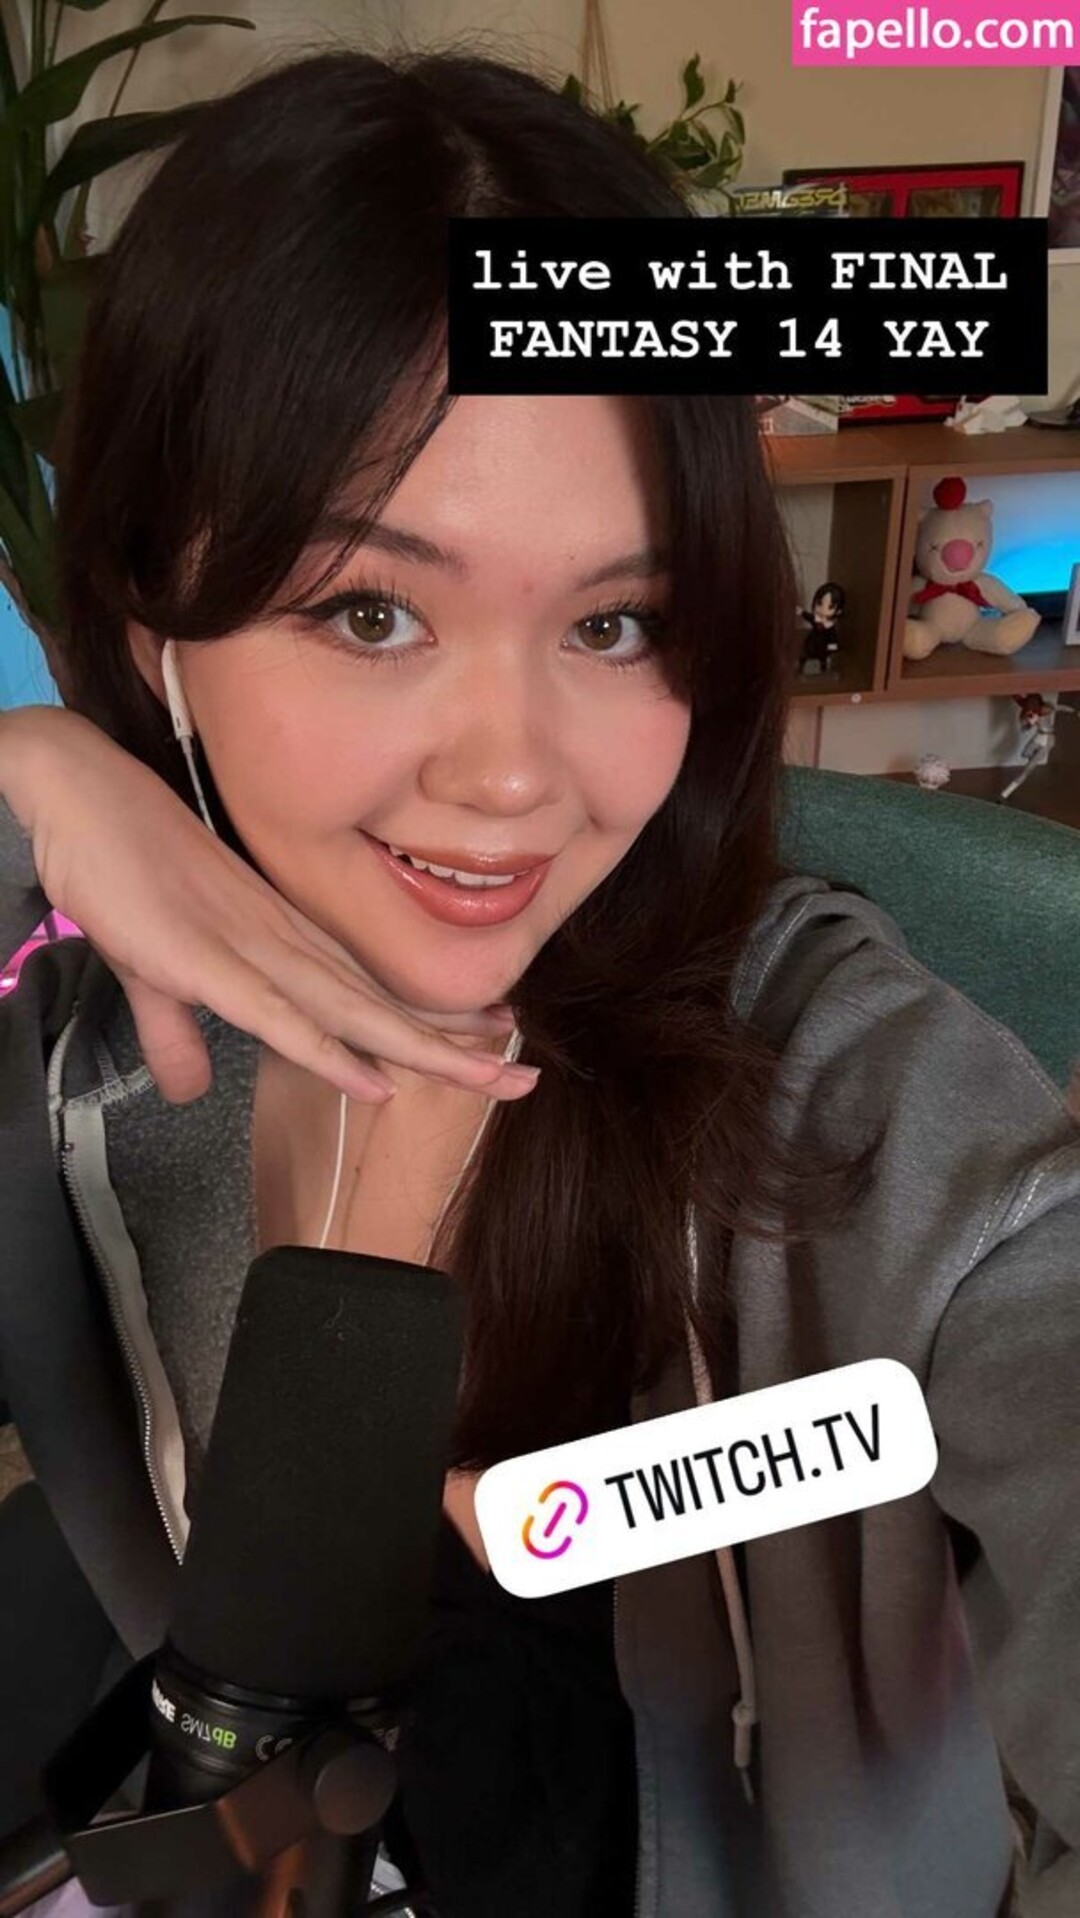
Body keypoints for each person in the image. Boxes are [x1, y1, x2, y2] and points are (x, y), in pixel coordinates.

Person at [0, 44, 1077, 1918]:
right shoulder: (80, 1051)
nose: (513, 778)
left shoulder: (844, 1099)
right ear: (151, 610)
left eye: (617, 621)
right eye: (371, 610)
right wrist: (23, 771)